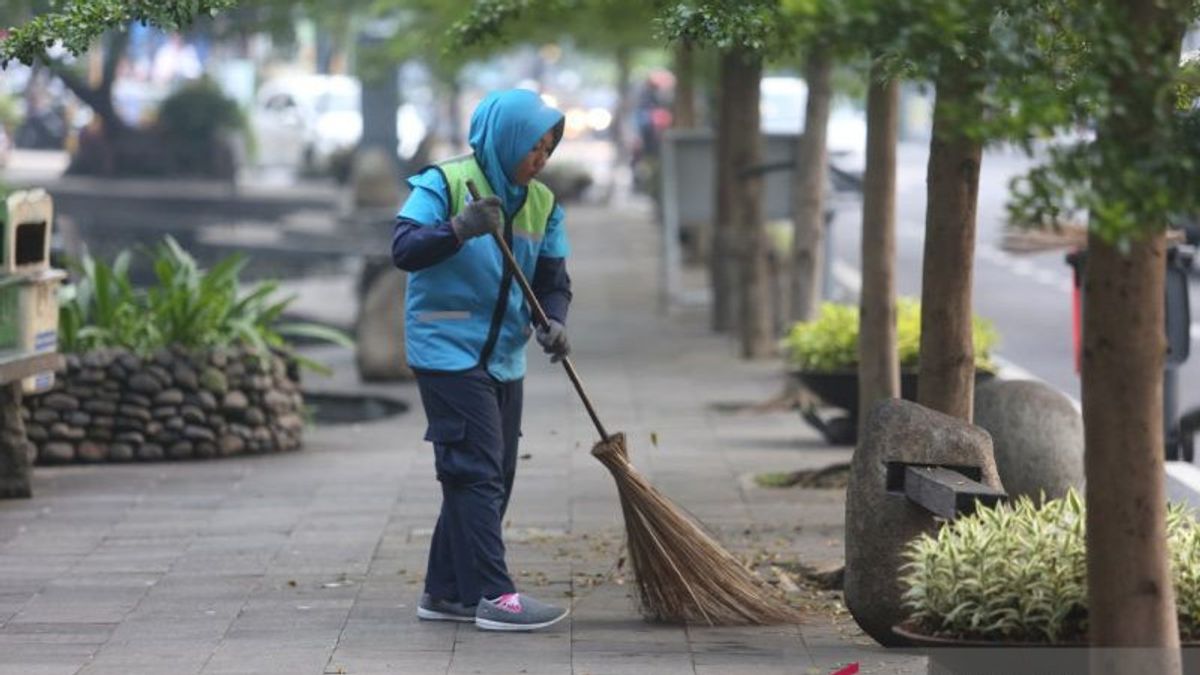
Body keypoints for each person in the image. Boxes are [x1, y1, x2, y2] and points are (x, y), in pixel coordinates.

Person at [391, 89, 573, 632]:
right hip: (445, 347)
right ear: (505, 137)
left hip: (503, 355)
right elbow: (403, 248)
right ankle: (496, 596)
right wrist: (459, 228)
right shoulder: (443, 184)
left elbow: (552, 281)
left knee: (493, 473)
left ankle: (445, 593)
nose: (539, 158)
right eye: (532, 146)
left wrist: (554, 320)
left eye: (547, 147)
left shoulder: (542, 203)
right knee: (475, 471)